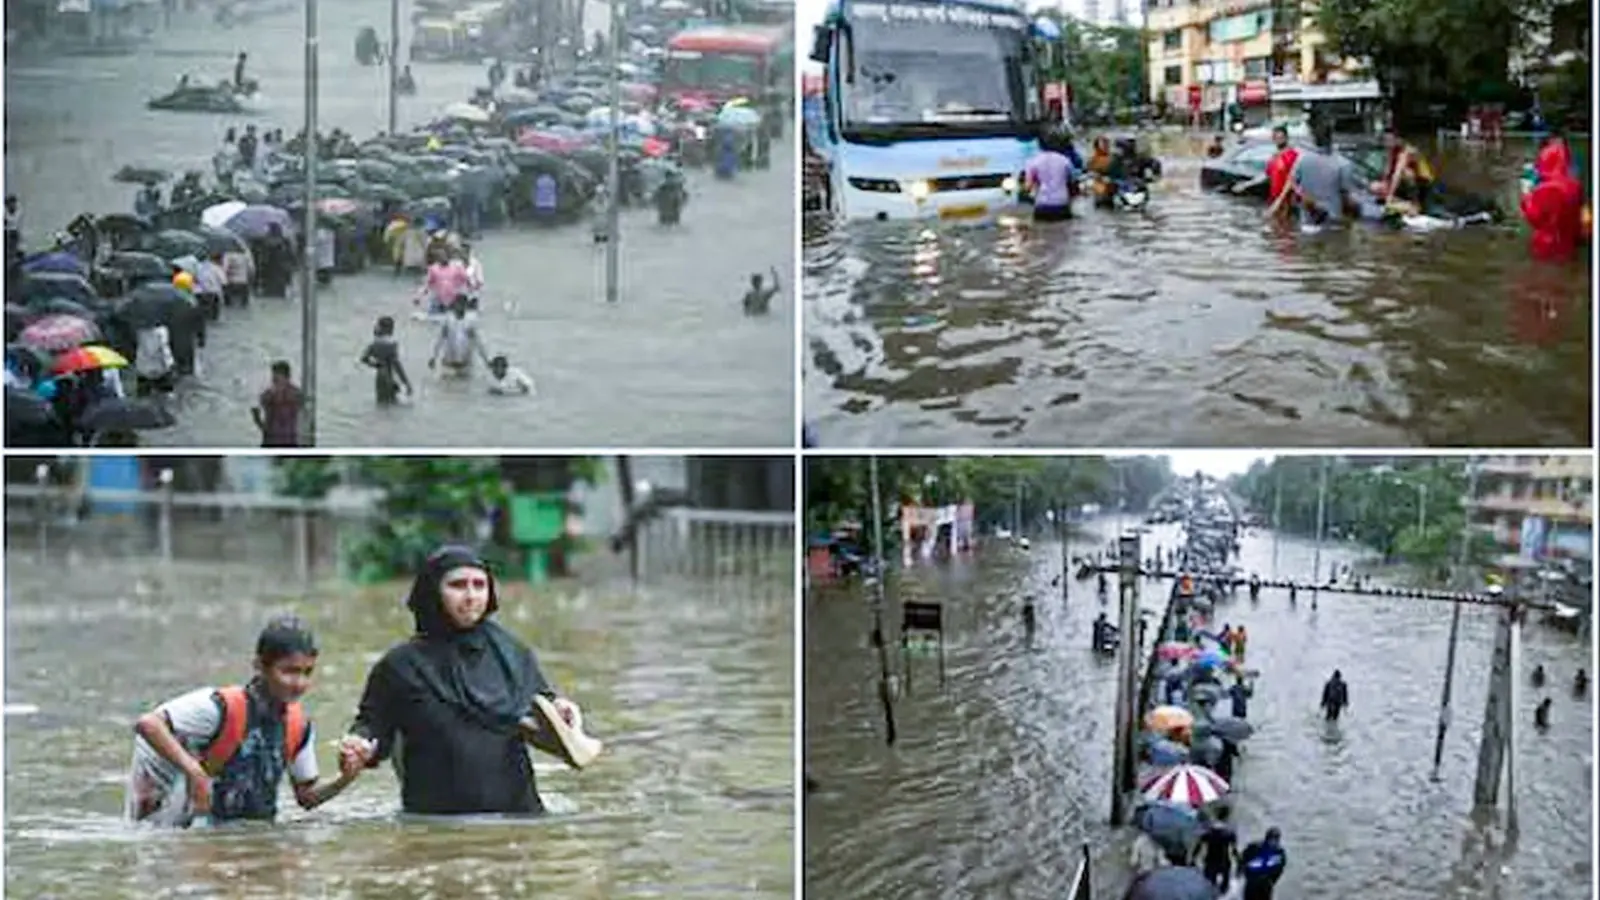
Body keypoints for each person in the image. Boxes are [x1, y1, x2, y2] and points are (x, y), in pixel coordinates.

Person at [337, 546, 581, 816]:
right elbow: (371, 727)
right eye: (457, 585)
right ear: (432, 591)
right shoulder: (400, 666)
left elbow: (541, 707)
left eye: (479, 585)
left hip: (519, 820)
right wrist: (357, 746)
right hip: (436, 826)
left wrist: (562, 711)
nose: (470, 596)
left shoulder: (512, 654)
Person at [127, 616, 359, 826]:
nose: (299, 683)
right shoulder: (218, 707)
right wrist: (194, 772)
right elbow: (148, 724)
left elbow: (307, 798)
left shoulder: (298, 726)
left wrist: (345, 778)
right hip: (187, 834)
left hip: (244, 837)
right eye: (289, 671)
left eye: (307, 672)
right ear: (259, 666)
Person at [1520, 136, 1585, 262]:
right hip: (1568, 245)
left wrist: (1526, 195)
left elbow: (1534, 218)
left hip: (1545, 246)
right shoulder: (1575, 185)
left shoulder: (1543, 189)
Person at [1023, 129, 1075, 221]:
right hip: (1062, 205)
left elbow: (1028, 187)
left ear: (1039, 145)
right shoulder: (1064, 161)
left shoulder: (1033, 162)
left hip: (1042, 205)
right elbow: (1072, 181)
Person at [360, 316, 412, 406]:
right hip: (389, 376)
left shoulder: (374, 344)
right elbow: (397, 365)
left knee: (381, 402)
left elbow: (364, 359)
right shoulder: (392, 345)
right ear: (390, 329)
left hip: (380, 377)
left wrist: (377, 365)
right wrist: (406, 383)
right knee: (392, 402)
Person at [430, 302, 491, 376]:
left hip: (465, 366)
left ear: (466, 307)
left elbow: (479, 343)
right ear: (454, 306)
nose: (460, 308)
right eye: (458, 305)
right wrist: (433, 357)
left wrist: (486, 360)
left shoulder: (470, 323)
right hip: (449, 366)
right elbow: (439, 341)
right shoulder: (448, 321)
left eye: (462, 305)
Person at [252, 360, 302, 447]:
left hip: (288, 442)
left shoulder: (295, 395)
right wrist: (257, 417)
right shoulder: (268, 395)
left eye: (277, 377)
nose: (274, 380)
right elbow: (265, 425)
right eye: (274, 377)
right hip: (271, 441)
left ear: (287, 377)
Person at [1193, 805, 1239, 891]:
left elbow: (1199, 846)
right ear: (1227, 816)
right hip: (1224, 861)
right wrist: (1239, 863)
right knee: (1224, 888)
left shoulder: (1209, 831)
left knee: (1208, 888)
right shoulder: (1229, 832)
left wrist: (1193, 858)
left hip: (1210, 861)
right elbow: (1234, 850)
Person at [1239, 827, 1287, 900]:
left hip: (1266, 884)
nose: (1273, 842)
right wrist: (1245, 873)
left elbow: (1280, 868)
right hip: (1252, 882)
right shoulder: (1254, 847)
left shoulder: (1279, 853)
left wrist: (1271, 880)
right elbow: (1243, 859)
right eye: (1271, 839)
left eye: (1275, 839)